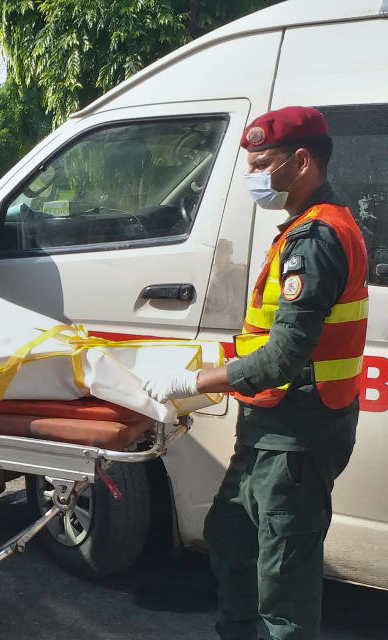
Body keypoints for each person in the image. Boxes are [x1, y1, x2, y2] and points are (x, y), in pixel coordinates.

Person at [143, 106, 367, 640]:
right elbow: (265, 338)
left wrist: (192, 383)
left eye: (261, 163)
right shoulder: (302, 227)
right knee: (230, 535)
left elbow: (283, 356)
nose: (252, 176)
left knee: (282, 585)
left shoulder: (316, 240)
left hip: (298, 436)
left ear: (301, 161)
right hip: (272, 427)